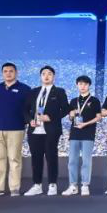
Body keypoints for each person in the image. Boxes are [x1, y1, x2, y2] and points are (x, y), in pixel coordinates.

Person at [23, 65, 69, 196]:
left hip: (51, 130)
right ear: (40, 76)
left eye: (49, 74)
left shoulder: (59, 92)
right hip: (35, 130)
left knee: (51, 157)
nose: (46, 76)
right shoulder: (33, 92)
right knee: (36, 158)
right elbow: (25, 109)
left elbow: (65, 109)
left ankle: (52, 184)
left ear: (54, 76)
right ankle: (37, 185)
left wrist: (50, 117)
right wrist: (29, 120)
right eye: (43, 74)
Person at [0, 62, 30, 197]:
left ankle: (14, 188)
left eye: (11, 71)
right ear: (2, 73)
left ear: (16, 73)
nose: (8, 73)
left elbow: (29, 109)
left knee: (14, 159)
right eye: (5, 71)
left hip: (16, 129)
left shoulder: (25, 89)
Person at [63, 75, 101, 196]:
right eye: (80, 84)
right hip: (74, 134)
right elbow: (70, 118)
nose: (82, 86)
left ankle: (85, 185)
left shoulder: (94, 100)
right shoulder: (73, 101)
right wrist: (71, 115)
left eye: (85, 84)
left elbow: (99, 117)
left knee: (86, 161)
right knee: (72, 161)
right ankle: (73, 186)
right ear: (77, 85)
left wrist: (86, 124)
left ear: (89, 85)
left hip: (88, 134)